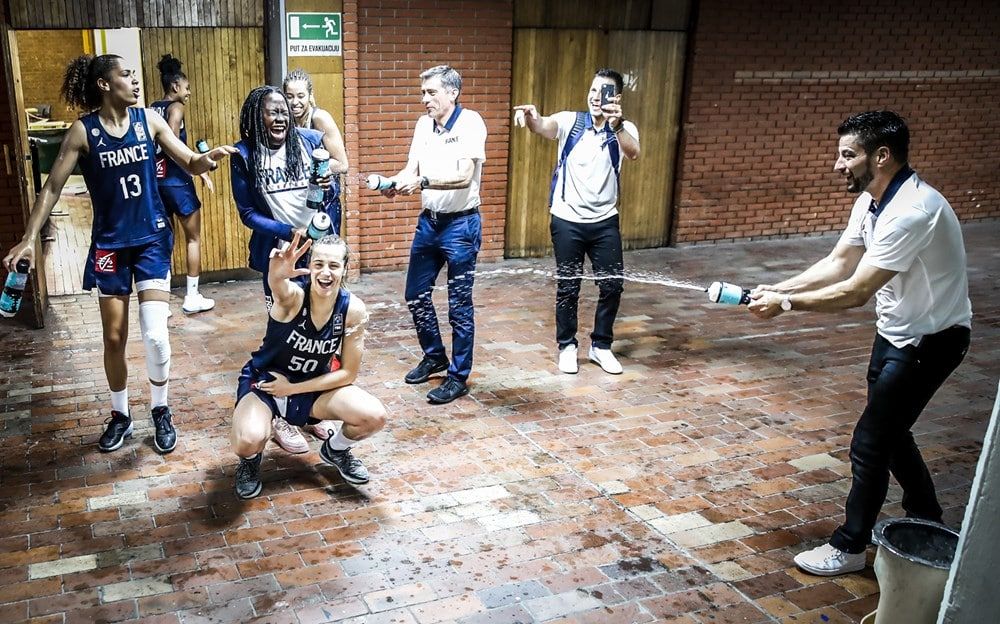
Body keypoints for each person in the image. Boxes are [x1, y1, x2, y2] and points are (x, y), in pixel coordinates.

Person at [748, 110, 972, 576]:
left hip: (931, 342)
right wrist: (778, 288)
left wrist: (786, 305)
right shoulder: (873, 200)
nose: (838, 165)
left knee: (870, 442)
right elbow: (838, 263)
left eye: (848, 155)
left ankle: (849, 546)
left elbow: (855, 291)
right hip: (895, 332)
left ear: (882, 156)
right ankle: (927, 515)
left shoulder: (913, 211)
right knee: (891, 432)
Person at [2, 54, 234, 453]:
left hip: (151, 240)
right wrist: (28, 237)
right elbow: (52, 188)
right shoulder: (83, 131)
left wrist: (206, 160)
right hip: (110, 245)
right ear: (105, 84)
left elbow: (189, 160)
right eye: (126, 75)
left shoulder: (150, 121)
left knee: (156, 336)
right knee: (114, 338)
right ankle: (121, 415)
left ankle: (161, 409)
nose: (135, 81)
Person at [231, 232, 386, 499]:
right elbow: (279, 288)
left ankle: (336, 449)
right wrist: (276, 275)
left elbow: (348, 373)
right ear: (310, 267)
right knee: (247, 440)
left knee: (374, 416)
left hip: (310, 388)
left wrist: (292, 389)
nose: (325, 272)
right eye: (319, 264)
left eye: (333, 265)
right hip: (267, 383)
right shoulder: (294, 297)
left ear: (344, 269)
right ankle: (250, 461)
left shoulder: (353, 310)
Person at [231, 85, 342, 449]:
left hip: (317, 250)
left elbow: (328, 193)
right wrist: (287, 231)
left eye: (284, 111)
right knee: (282, 334)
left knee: (321, 331)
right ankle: (278, 415)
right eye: (272, 112)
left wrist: (327, 185)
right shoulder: (244, 154)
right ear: (256, 116)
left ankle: (310, 412)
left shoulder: (309, 142)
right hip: (280, 255)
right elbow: (248, 213)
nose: (280, 117)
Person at [513, 68, 640, 376]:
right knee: (568, 287)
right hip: (567, 220)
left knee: (612, 286)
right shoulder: (571, 121)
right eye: (593, 90)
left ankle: (601, 347)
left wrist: (616, 125)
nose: (596, 97)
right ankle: (567, 347)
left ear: (616, 97)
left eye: (604, 92)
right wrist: (532, 118)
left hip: (605, 222)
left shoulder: (624, 128)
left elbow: (633, 152)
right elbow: (544, 126)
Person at [378, 65, 486, 405]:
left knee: (459, 306)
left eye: (431, 92)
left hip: (461, 226)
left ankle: (458, 376)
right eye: (423, 93)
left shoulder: (470, 123)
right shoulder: (423, 125)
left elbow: (464, 176)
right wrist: (394, 183)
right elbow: (411, 169)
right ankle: (434, 355)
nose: (424, 99)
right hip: (429, 223)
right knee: (415, 294)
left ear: (452, 93)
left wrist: (422, 182)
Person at [151, 53, 216, 314]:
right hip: (177, 181)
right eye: (186, 88)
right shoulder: (176, 108)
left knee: (162, 243)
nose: (188, 93)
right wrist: (196, 170)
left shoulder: (152, 108)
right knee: (193, 239)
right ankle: (192, 297)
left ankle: (161, 303)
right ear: (175, 86)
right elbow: (173, 143)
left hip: (157, 183)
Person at [283, 69, 349, 234]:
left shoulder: (319, 118)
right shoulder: (286, 122)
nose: (295, 102)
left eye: (300, 96)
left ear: (310, 95)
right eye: (289, 96)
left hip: (325, 204)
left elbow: (342, 164)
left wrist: (316, 169)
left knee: (325, 249)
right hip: (300, 205)